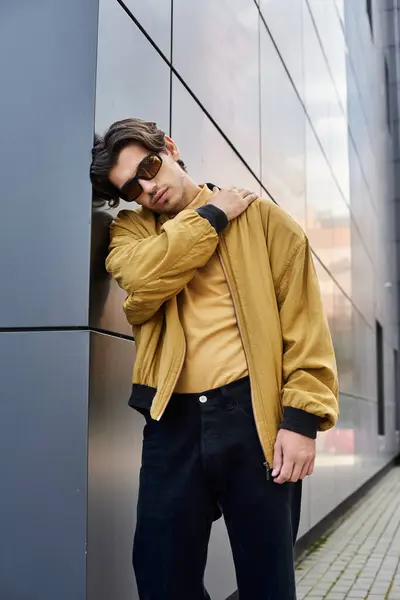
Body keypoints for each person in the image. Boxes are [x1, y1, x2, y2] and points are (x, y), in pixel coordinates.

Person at [90, 117, 339, 600]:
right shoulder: (131, 231)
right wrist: (211, 216)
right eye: (132, 188)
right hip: (173, 421)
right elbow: (140, 282)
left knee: (267, 581)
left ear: (170, 147)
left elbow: (306, 328)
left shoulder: (265, 221)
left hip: (255, 417)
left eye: (150, 167)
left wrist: (302, 422)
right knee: (161, 577)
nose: (148, 189)